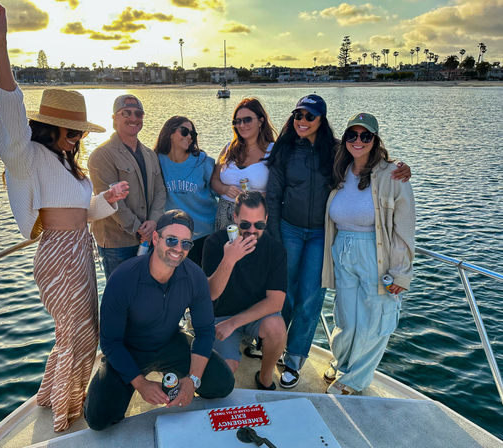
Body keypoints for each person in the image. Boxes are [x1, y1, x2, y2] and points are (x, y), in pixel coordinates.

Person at [0, 0, 129, 431]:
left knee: (82, 331)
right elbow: (11, 114)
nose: (76, 140)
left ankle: (54, 396)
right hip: (57, 256)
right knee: (74, 333)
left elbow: (83, 214)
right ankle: (66, 409)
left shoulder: (67, 164)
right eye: (72, 132)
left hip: (81, 251)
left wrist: (107, 197)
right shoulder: (28, 156)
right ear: (51, 126)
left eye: (79, 133)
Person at [265, 95, 411, 389]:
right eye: (298, 115)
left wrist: (401, 168)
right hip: (295, 232)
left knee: (310, 298)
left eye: (310, 116)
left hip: (323, 234)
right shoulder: (289, 151)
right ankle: (274, 347)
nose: (302, 121)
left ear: (322, 120)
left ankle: (294, 359)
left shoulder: (334, 152)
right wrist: (274, 237)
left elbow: (374, 172)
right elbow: (272, 195)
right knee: (286, 296)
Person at [84, 210, 234, 430]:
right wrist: (140, 383)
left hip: (170, 342)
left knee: (223, 384)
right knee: (99, 418)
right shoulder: (123, 277)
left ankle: (171, 375)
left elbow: (204, 331)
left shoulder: (195, 277)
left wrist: (192, 380)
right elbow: (110, 342)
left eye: (186, 244)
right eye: (171, 240)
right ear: (155, 239)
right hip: (129, 349)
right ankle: (106, 392)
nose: (178, 249)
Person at [322, 112, 415, 395]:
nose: (358, 141)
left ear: (375, 140)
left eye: (365, 136)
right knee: (346, 316)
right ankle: (342, 364)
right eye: (352, 135)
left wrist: (401, 271)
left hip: (375, 252)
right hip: (343, 249)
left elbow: (404, 227)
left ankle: (356, 380)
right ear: (346, 139)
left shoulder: (393, 175)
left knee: (374, 317)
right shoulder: (340, 169)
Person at [202, 192, 287, 390]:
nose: (252, 230)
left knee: (277, 327)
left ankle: (265, 378)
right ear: (234, 218)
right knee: (223, 375)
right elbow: (210, 294)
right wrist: (229, 259)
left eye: (259, 225)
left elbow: (276, 303)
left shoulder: (275, 250)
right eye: (245, 224)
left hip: (253, 316)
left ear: (266, 220)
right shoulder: (214, 242)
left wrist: (233, 323)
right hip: (220, 316)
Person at [88, 93, 166, 278]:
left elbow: (160, 190)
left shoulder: (149, 154)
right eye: (126, 113)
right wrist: (139, 228)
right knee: (120, 295)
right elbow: (110, 201)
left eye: (138, 114)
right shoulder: (101, 155)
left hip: (148, 237)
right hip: (117, 243)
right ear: (114, 119)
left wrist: (153, 221)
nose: (133, 118)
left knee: (145, 292)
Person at [154, 116, 218, 265]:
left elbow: (217, 189)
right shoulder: (156, 160)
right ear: (170, 132)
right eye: (184, 131)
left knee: (203, 282)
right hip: (174, 237)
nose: (189, 137)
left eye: (192, 134)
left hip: (205, 232)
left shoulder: (202, 161)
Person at [211, 98, 276, 230]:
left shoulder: (273, 150)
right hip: (225, 215)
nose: (241, 125)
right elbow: (214, 180)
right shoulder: (228, 148)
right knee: (224, 250)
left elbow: (279, 188)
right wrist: (225, 189)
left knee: (253, 250)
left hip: (255, 218)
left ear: (261, 121)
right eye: (237, 121)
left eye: (247, 120)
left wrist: (254, 197)